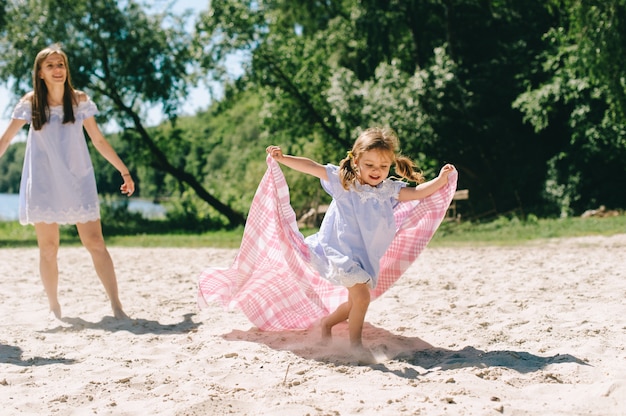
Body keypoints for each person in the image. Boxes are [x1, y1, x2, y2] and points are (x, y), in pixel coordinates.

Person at [198, 126, 457, 352]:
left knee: (355, 300)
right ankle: (355, 346)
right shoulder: (345, 182)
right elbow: (312, 167)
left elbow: (417, 193)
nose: (376, 171)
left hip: (364, 256)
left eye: (383, 166)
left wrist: (440, 180)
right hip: (338, 252)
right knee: (362, 298)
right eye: (369, 165)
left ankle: (327, 324)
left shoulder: (389, 189)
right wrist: (283, 158)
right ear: (356, 161)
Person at [0, 44, 134, 320]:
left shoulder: (79, 100)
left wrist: (124, 171)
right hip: (44, 182)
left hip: (77, 178)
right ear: (40, 73)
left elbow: (98, 140)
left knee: (95, 242)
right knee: (48, 248)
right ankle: (54, 307)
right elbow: (5, 140)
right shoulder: (30, 103)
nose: (57, 70)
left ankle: (116, 305)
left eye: (60, 64)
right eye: (50, 65)